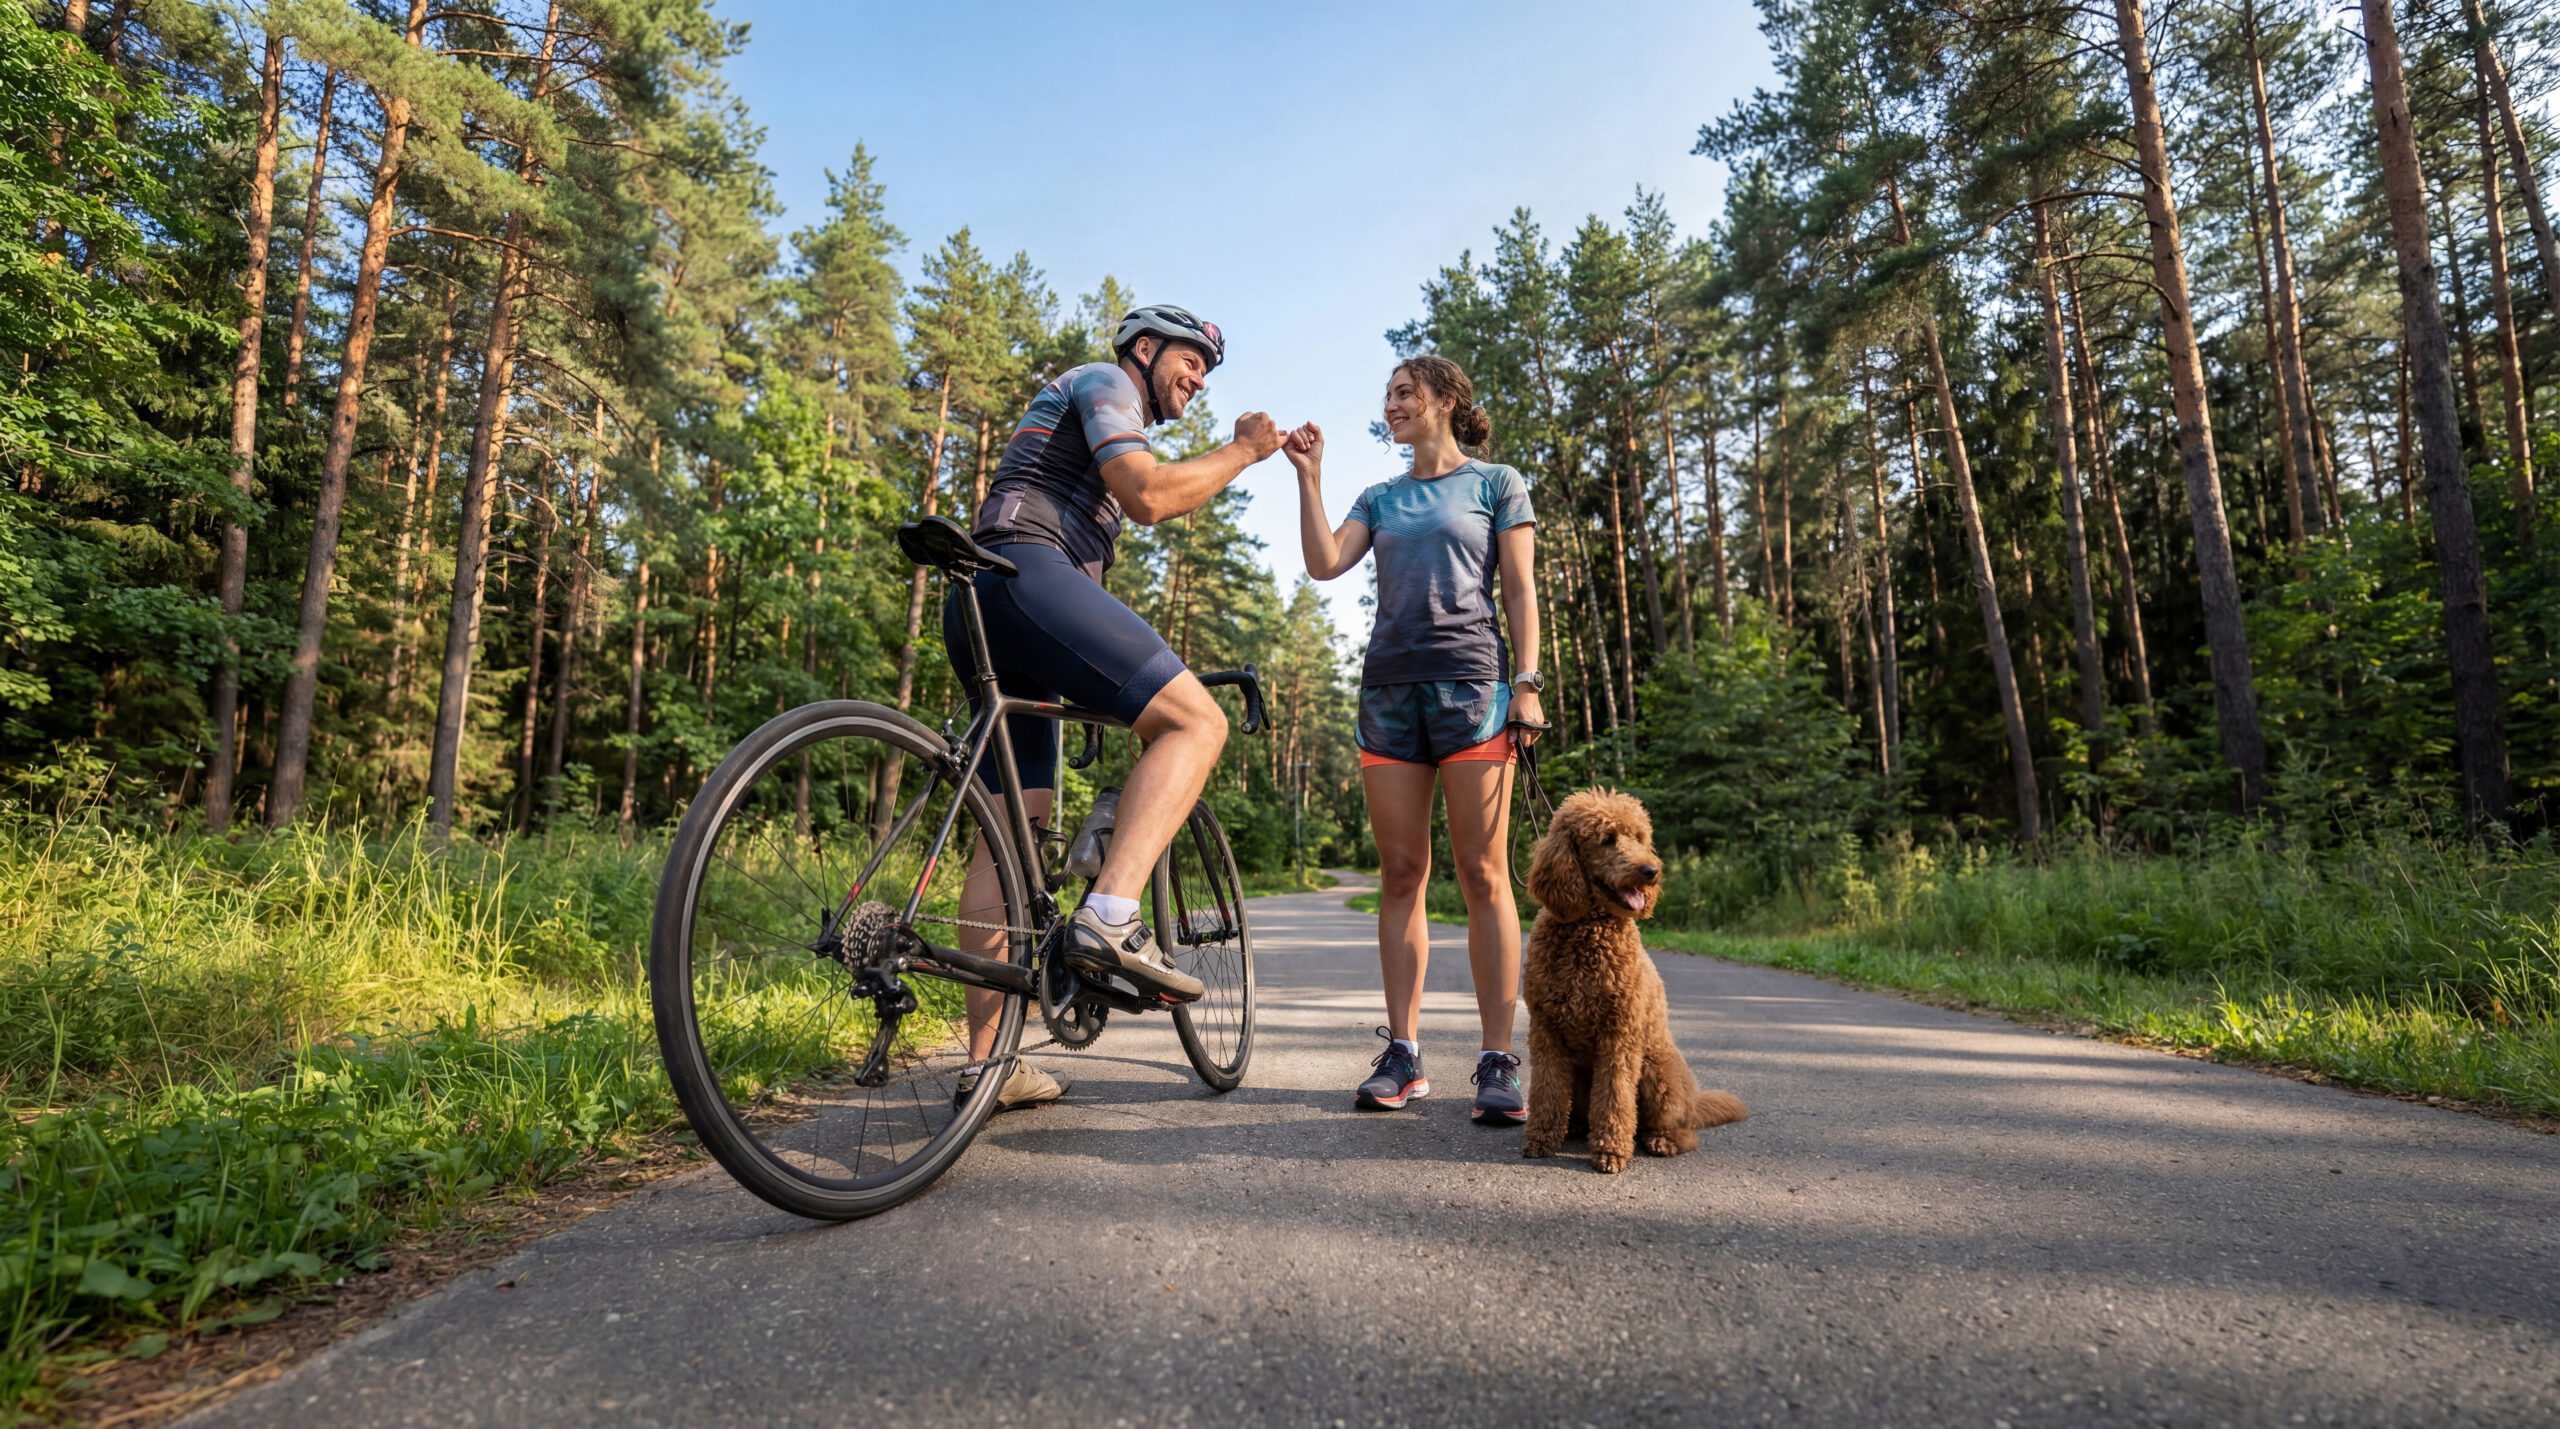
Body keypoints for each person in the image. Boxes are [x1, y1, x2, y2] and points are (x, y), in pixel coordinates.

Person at [944, 305, 1291, 1112]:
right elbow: (1147, 495)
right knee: (1198, 721)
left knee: (1010, 843)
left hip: (980, 602)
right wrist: (1244, 449)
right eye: (1192, 360)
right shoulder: (1105, 382)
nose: (1200, 379)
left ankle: (988, 1063)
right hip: (1027, 575)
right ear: (1145, 348)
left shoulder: (1086, 412)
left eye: (1208, 370)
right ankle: (1109, 913)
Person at [1287, 355, 1544, 1124]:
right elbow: (1325, 562)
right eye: (1389, 395)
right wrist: (1309, 476)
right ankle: (1403, 1053)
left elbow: (1522, 587)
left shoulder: (1497, 484)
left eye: (1404, 393)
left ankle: (1497, 1060)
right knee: (1401, 871)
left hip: (1473, 689)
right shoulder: (1381, 496)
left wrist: (1526, 685)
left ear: (1444, 400)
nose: (1392, 405)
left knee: (1483, 872)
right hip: (1389, 692)